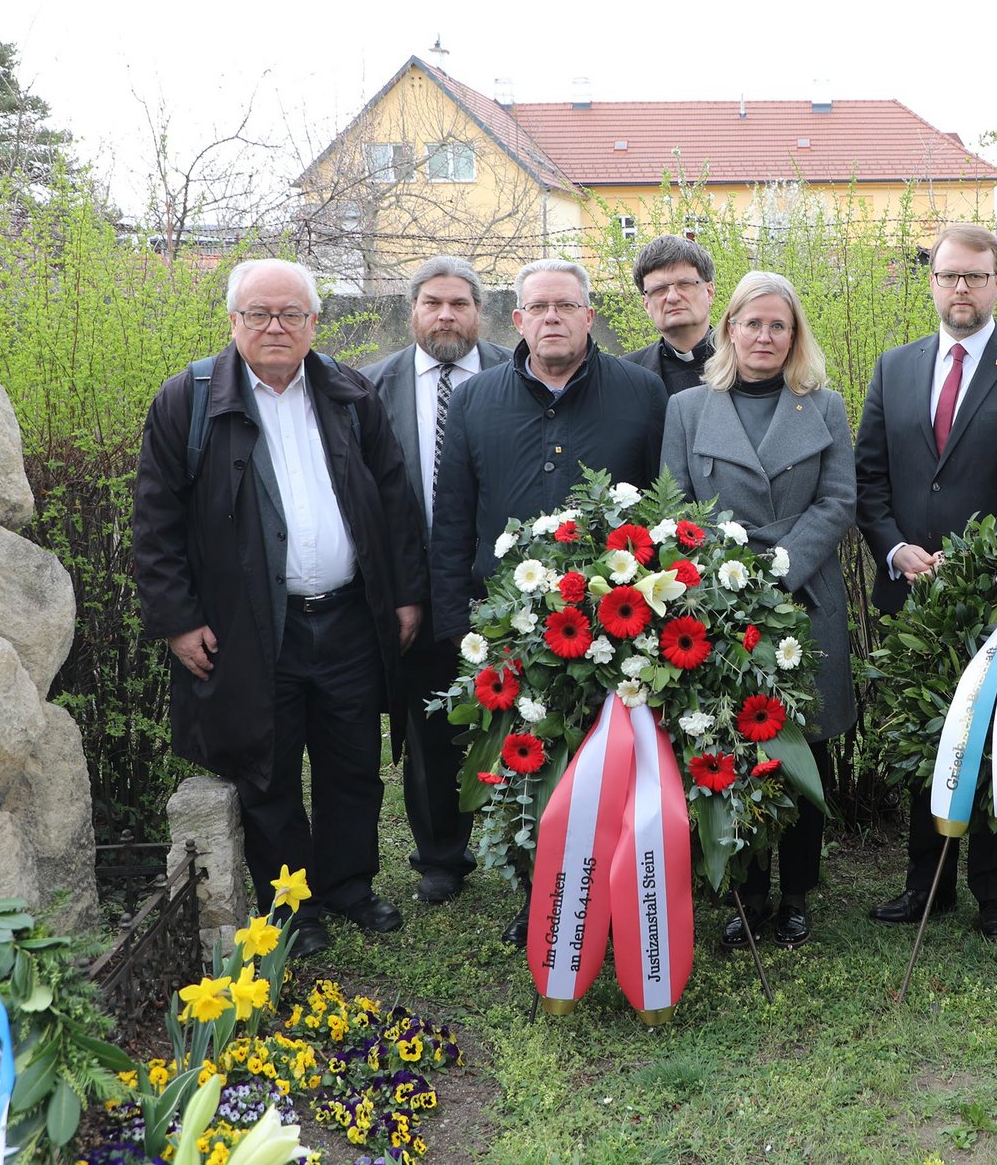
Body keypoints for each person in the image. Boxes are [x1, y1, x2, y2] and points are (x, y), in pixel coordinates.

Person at [133, 259, 426, 959]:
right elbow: (155, 520)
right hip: (250, 627)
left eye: (291, 314)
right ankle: (295, 901)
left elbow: (395, 501)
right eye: (259, 314)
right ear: (233, 321)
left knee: (353, 759)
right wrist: (175, 618)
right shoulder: (189, 401)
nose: (275, 326)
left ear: (313, 323)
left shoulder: (350, 393)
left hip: (351, 617)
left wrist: (408, 594)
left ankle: (351, 885)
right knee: (266, 767)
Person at [428, 257, 666, 944]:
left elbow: (660, 504)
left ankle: (619, 891)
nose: (554, 317)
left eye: (568, 305)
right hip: (507, 622)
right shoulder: (474, 401)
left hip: (615, 623)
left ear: (590, 317)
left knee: (609, 760)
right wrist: (456, 620)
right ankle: (539, 893)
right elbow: (452, 518)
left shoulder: (642, 394)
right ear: (519, 321)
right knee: (527, 759)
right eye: (541, 307)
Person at [856, 221, 997, 939]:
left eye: (975, 277)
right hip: (910, 592)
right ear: (932, 282)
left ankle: (995, 894)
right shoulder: (894, 367)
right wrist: (893, 549)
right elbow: (870, 476)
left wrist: (978, 559)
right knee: (927, 737)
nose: (961, 288)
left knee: (995, 738)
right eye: (949, 275)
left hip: (994, 596)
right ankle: (926, 886)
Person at [661, 271, 855, 949]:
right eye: (754, 323)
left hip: (805, 599)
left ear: (794, 334)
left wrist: (778, 566)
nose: (766, 336)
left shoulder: (824, 405)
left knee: (804, 750)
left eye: (780, 325)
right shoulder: (688, 410)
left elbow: (838, 503)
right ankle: (743, 895)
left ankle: (798, 894)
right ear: (730, 329)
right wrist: (730, 574)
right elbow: (676, 510)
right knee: (731, 746)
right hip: (719, 607)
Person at [361, 256, 514, 907]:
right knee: (431, 730)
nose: (446, 314)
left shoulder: (520, 374)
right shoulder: (370, 388)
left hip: (511, 584)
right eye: (432, 303)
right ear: (412, 311)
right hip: (416, 589)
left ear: (481, 311)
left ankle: (528, 846)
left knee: (522, 721)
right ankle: (441, 857)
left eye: (459, 303)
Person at [620, 234, 717, 396]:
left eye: (685, 284)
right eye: (659, 289)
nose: (672, 297)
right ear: (646, 305)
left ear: (709, 292)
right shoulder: (624, 377)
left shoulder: (746, 362)